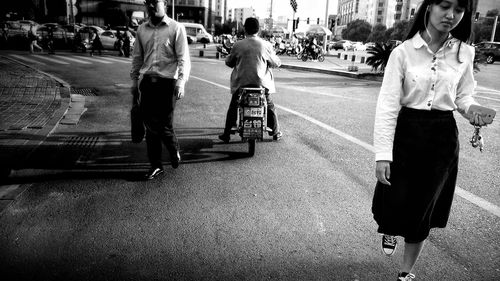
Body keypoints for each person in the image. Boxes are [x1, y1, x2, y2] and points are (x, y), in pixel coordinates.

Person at [371, 0, 492, 280]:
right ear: (429, 7)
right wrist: (382, 154)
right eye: (445, 6)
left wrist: (472, 111)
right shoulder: (403, 52)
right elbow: (388, 105)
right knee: (392, 199)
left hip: (442, 138)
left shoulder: (466, 53)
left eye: (459, 10)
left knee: (423, 207)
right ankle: (390, 227)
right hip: (407, 132)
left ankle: (406, 272)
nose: (451, 16)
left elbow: (463, 97)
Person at [130, 0, 191, 180]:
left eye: (155, 1)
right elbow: (137, 58)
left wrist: (181, 82)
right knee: (150, 128)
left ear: (164, 4)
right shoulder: (141, 29)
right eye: (147, 2)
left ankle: (173, 149)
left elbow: (183, 59)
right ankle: (156, 165)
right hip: (148, 83)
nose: (150, 5)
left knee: (164, 125)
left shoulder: (176, 28)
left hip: (168, 84)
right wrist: (134, 82)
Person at [218, 17, 282, 143]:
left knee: (233, 106)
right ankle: (275, 132)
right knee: (270, 106)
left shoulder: (238, 45)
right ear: (258, 29)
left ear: (244, 29)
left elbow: (229, 62)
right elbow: (275, 63)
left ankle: (227, 133)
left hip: (242, 84)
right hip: (261, 85)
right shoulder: (266, 45)